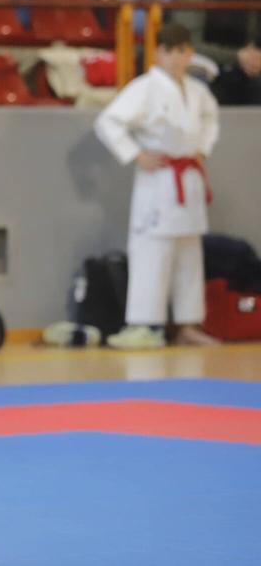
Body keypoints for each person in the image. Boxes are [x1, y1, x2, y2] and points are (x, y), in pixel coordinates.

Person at [94, 22, 220, 349]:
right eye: (172, 51)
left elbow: (210, 119)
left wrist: (203, 149)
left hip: (188, 177)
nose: (178, 58)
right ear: (158, 53)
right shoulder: (145, 87)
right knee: (152, 252)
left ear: (190, 53)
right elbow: (108, 121)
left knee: (189, 254)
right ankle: (144, 324)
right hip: (160, 178)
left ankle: (187, 324)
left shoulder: (196, 90)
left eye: (184, 51)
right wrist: (136, 154)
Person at [171, 0, 261, 105]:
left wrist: (252, 56)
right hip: (204, 67)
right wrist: (236, 56)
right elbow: (189, 44)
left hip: (239, 68)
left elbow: (251, 37)